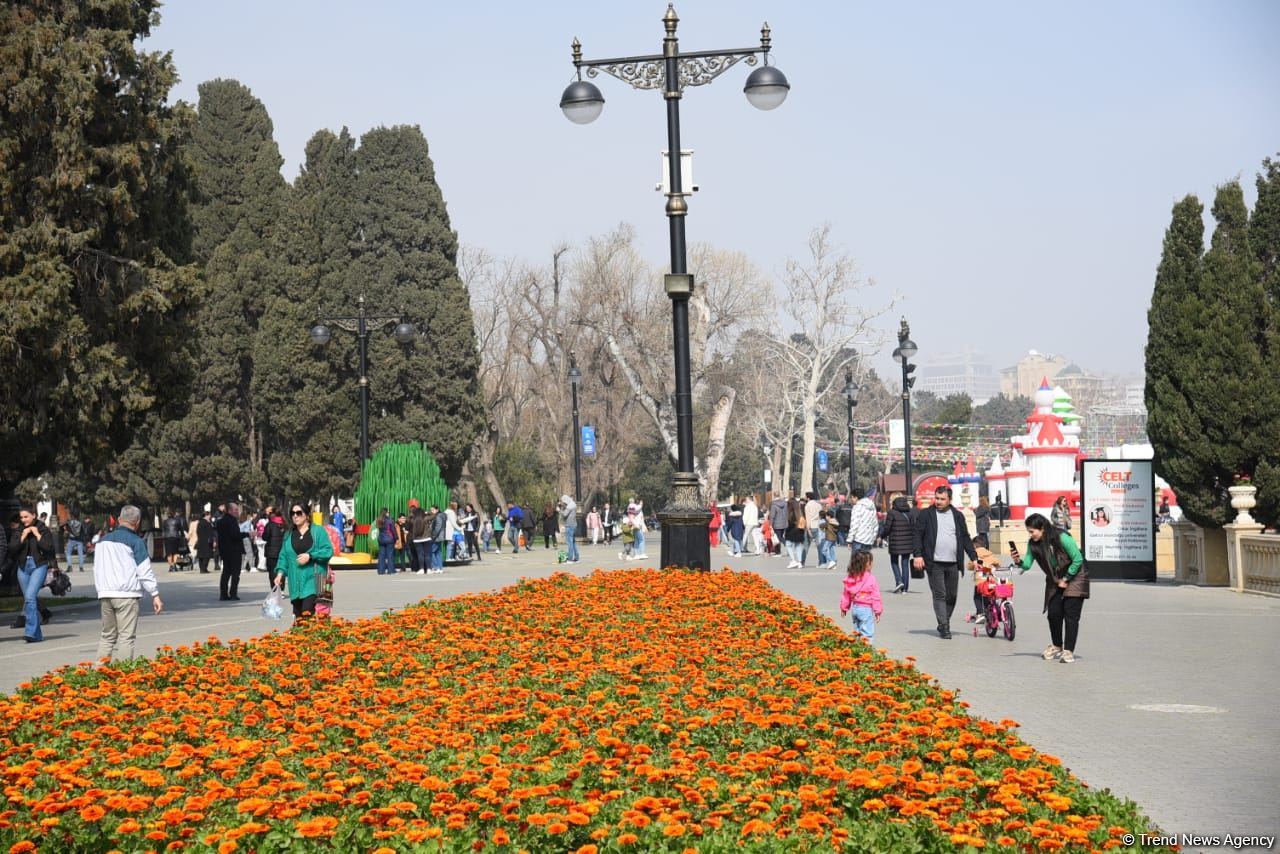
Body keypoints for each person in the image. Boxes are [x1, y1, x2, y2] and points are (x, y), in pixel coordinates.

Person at [1010, 512, 1089, 664]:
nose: (1030, 535)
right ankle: (1057, 646)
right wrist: (1018, 561)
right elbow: (1027, 564)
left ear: (1043, 528)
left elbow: (1077, 559)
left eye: (1032, 531)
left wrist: (1067, 578)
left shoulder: (1062, 537)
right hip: (1055, 579)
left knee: (1071, 615)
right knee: (1053, 613)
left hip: (1076, 576)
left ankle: (1069, 651)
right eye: (1029, 532)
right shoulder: (1033, 544)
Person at [93, 505, 163, 662]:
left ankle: (99, 671)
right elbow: (144, 570)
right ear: (137, 522)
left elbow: (97, 568)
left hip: (106, 593)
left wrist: (101, 589)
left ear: (119, 520)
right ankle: (123, 674)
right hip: (126, 595)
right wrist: (155, 594)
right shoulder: (136, 542)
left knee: (107, 636)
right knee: (126, 636)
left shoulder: (102, 541)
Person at [911, 485, 979, 640]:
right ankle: (944, 626)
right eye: (937, 498)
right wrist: (917, 555)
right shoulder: (926, 514)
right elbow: (917, 535)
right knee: (939, 594)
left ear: (950, 499)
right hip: (933, 562)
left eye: (942, 499)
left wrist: (974, 557)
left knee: (952, 596)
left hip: (953, 563)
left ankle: (943, 620)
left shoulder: (957, 515)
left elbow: (965, 538)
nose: (939, 501)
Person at [274, 502, 334, 621]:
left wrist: (310, 556)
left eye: (298, 513)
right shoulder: (289, 534)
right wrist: (280, 574)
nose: (295, 516)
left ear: (306, 515)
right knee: (299, 616)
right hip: (295, 582)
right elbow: (283, 556)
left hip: (316, 580)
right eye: (292, 513)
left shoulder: (318, 531)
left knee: (308, 612)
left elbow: (328, 550)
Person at [10, 506, 55, 643]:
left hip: (38, 566)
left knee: (30, 597)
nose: (23, 520)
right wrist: (23, 536)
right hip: (23, 567)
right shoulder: (19, 530)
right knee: (30, 600)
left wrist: (37, 534)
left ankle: (30, 631)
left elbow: (48, 547)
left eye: (26, 517)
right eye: (22, 517)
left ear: (33, 515)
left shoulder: (42, 528)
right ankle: (36, 635)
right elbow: (12, 549)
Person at [839, 550, 883, 641]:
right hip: (866, 610)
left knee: (857, 633)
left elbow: (846, 594)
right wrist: (877, 611)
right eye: (871, 562)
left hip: (855, 609)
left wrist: (844, 608)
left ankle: (858, 651)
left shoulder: (851, 577)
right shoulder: (871, 578)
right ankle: (867, 652)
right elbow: (876, 596)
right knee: (867, 634)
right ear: (867, 564)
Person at [878, 494, 915, 594]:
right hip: (907, 543)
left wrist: (881, 536)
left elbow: (887, 528)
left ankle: (899, 581)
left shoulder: (892, 513)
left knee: (894, 562)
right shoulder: (910, 513)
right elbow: (913, 528)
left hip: (895, 542)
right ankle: (905, 588)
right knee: (905, 564)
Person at [215, 502, 244, 601]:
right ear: (230, 510)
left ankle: (223, 594)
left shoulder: (220, 521)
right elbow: (235, 535)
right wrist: (247, 534)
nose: (237, 511)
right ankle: (233, 593)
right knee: (235, 573)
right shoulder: (232, 521)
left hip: (224, 551)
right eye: (235, 510)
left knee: (226, 572)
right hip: (234, 550)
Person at [848, 488, 878, 554]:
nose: (851, 500)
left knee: (857, 562)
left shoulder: (857, 507)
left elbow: (854, 524)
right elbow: (875, 523)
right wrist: (873, 537)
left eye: (852, 497)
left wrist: (849, 540)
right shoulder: (872, 506)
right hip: (869, 539)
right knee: (866, 562)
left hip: (858, 539)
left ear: (856, 497)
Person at [262, 506, 286, 588]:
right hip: (283, 550)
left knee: (272, 570)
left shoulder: (270, 524)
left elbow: (264, 537)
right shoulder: (285, 524)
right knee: (281, 569)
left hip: (271, 552)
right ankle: (281, 589)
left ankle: (274, 588)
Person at [784, 492, 806, 568]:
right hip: (799, 530)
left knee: (788, 544)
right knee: (798, 545)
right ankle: (800, 562)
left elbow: (789, 521)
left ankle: (793, 560)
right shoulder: (800, 511)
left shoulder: (790, 512)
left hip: (791, 530)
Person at [803, 492, 822, 567]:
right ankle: (821, 562)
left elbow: (808, 518)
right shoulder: (819, 505)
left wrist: (808, 529)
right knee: (819, 545)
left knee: (806, 545)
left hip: (811, 525)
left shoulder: (807, 505)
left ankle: (802, 561)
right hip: (818, 526)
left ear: (808, 498)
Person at [375, 507, 396, 575]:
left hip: (381, 539)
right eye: (388, 512)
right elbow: (393, 530)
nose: (389, 513)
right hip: (389, 539)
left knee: (381, 555)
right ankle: (391, 570)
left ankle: (381, 571)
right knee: (390, 555)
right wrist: (396, 538)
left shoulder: (378, 520)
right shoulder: (390, 520)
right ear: (386, 513)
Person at [559, 495, 579, 563]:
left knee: (569, 542)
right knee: (573, 542)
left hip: (569, 525)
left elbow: (564, 514)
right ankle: (576, 558)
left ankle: (570, 559)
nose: (563, 503)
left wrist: (560, 510)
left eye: (563, 501)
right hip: (574, 525)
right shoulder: (573, 504)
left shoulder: (569, 506)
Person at [769, 492, 789, 557]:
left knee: (777, 538)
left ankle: (778, 552)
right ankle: (788, 547)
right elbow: (787, 512)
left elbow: (772, 515)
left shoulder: (773, 504)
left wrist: (770, 524)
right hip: (784, 522)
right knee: (781, 537)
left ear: (774, 495)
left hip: (776, 523)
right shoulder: (785, 503)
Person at [428, 504, 447, 573]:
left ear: (437, 510)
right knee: (438, 552)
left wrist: (433, 536)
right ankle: (440, 568)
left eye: (433, 510)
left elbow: (437, 528)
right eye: (431, 510)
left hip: (437, 537)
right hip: (440, 537)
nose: (431, 511)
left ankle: (436, 567)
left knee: (431, 551)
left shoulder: (438, 516)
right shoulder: (441, 516)